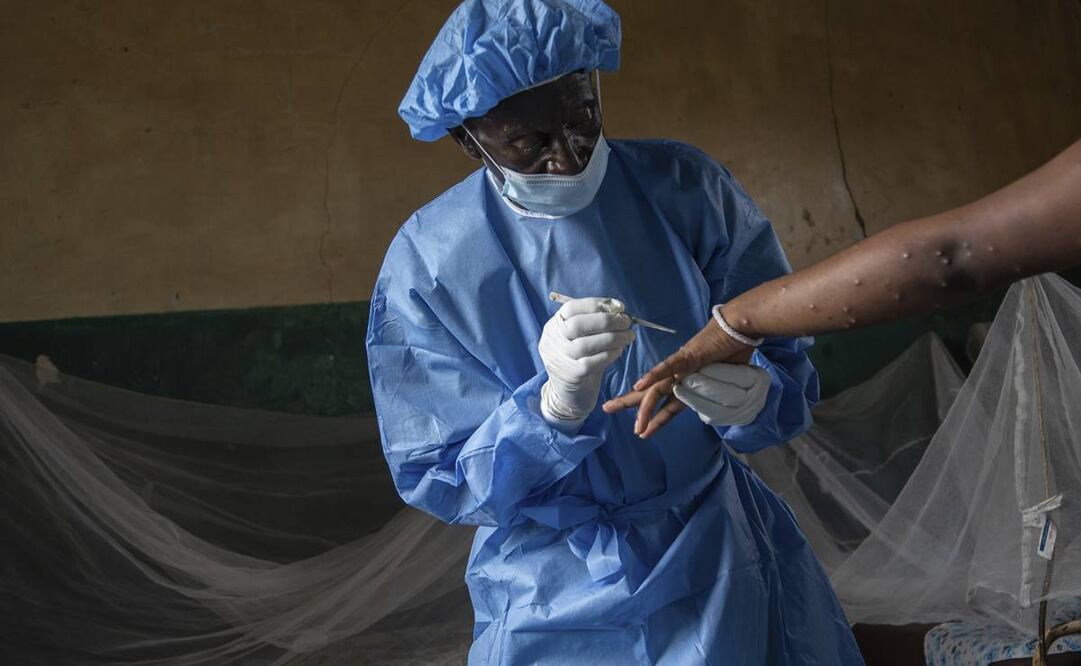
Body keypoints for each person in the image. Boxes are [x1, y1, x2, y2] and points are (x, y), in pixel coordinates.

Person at [367, 1, 864, 663]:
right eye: (530, 142)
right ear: (470, 139)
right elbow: (438, 472)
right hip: (552, 581)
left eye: (582, 119)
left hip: (714, 549)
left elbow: (779, 357)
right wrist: (550, 410)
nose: (568, 157)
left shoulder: (685, 189)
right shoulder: (430, 260)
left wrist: (753, 393)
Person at [604, 137, 1081, 437]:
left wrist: (736, 324)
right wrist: (735, 324)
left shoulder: (689, 184)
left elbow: (951, 258)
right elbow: (951, 256)